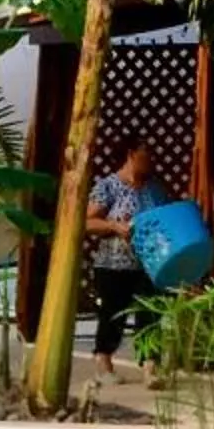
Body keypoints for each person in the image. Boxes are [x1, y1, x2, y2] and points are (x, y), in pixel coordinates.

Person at [85, 136, 169, 375]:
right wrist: (113, 227)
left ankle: (151, 365)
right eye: (146, 153)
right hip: (113, 265)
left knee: (151, 314)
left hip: (149, 265)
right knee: (113, 315)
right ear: (131, 155)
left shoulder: (155, 188)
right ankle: (104, 362)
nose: (150, 158)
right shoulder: (108, 186)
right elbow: (87, 222)